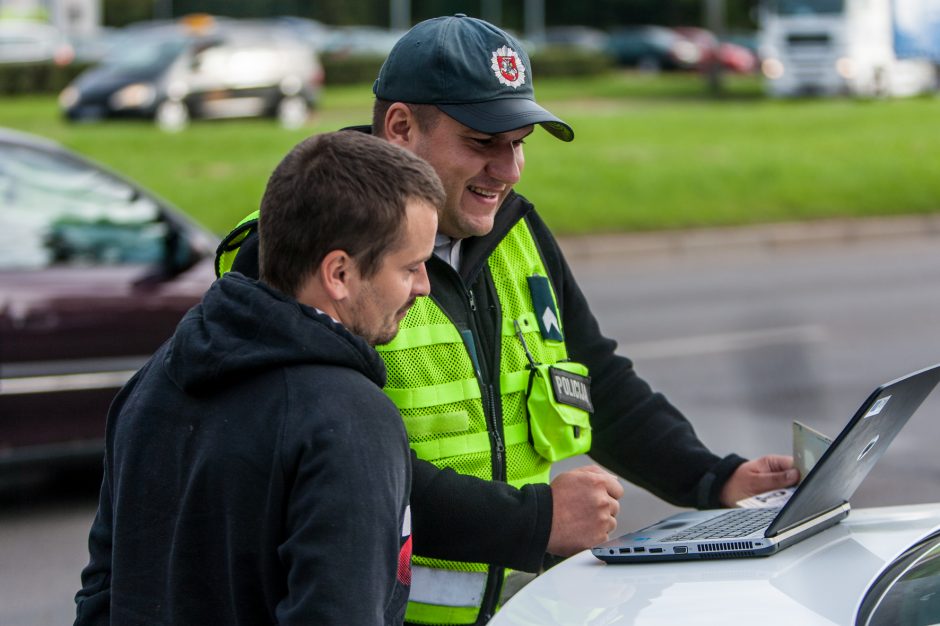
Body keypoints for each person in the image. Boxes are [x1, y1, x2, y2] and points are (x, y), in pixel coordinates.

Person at [216, 15, 800, 626]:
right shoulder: (308, 252)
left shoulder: (515, 231)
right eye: (482, 142)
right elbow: (332, 465)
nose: (510, 168)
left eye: (519, 142)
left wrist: (715, 477)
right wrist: (536, 520)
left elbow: (593, 379)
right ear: (400, 129)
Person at [73, 131, 445, 625]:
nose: (423, 286)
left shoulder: (154, 380)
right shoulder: (350, 421)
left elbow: (103, 590)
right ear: (339, 273)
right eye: (412, 267)